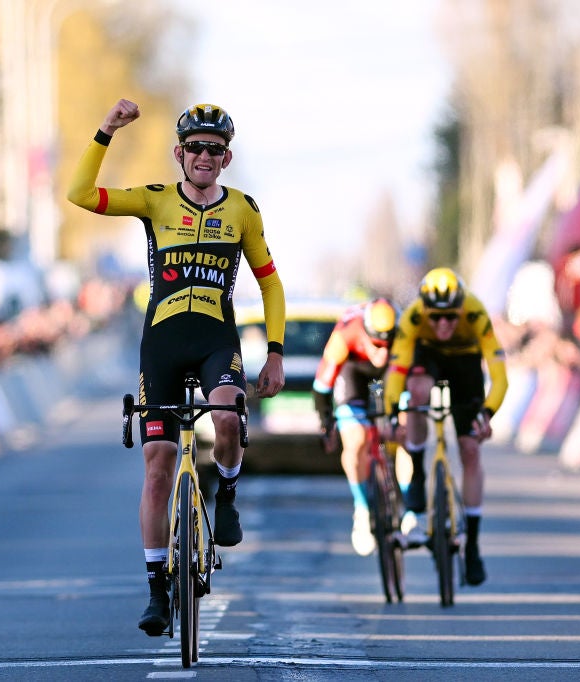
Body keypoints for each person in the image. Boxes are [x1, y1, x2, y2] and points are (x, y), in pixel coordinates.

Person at [67, 99, 286, 635]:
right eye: (196, 148)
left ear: (226, 157)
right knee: (159, 464)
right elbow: (79, 194)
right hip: (162, 343)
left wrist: (275, 351)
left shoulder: (242, 210)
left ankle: (227, 494)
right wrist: (106, 129)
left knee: (229, 419)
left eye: (215, 149)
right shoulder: (154, 200)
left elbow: (270, 283)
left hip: (215, 340)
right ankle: (156, 590)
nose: (204, 156)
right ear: (179, 153)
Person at [383, 267, 508, 586]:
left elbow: (500, 378)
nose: (443, 324)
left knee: (470, 450)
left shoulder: (476, 312)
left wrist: (487, 414)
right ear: (424, 309)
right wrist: (394, 412)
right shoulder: (412, 317)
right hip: (429, 356)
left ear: (461, 309)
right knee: (417, 390)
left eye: (450, 317)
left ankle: (473, 546)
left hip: (467, 363)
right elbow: (396, 372)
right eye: (435, 317)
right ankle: (418, 465)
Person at [312, 297, 399, 556]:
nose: (382, 352)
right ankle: (362, 509)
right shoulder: (346, 334)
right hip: (353, 369)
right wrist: (327, 422)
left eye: (388, 343)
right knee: (356, 437)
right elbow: (322, 387)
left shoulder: (401, 332)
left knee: (405, 427)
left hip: (392, 373)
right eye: (377, 345)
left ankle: (408, 502)